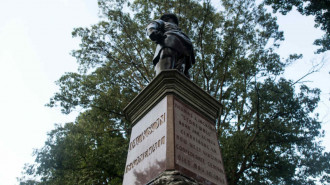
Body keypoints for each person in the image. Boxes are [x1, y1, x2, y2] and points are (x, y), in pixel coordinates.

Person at [146, 13, 195, 78]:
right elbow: (152, 26)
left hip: (177, 46)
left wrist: (152, 31)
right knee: (166, 70)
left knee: (179, 74)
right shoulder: (163, 23)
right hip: (171, 43)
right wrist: (152, 31)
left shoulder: (178, 31)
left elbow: (152, 26)